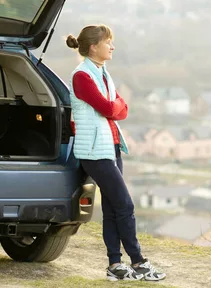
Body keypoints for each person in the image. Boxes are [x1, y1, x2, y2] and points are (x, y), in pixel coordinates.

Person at [66, 24, 166, 282]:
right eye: (108, 42)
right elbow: (109, 108)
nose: (112, 46)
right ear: (93, 47)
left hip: (110, 148)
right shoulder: (82, 76)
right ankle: (139, 262)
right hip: (93, 152)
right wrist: (114, 107)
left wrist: (114, 106)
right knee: (125, 204)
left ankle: (115, 265)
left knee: (112, 207)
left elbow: (121, 108)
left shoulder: (103, 73)